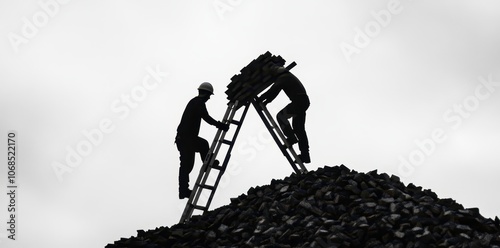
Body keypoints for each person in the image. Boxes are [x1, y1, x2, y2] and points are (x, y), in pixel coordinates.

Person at [175, 82, 229, 199]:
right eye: (209, 95)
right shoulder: (198, 103)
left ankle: (184, 190)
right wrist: (220, 125)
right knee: (189, 163)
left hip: (185, 139)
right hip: (186, 139)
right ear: (206, 94)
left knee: (188, 164)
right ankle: (184, 190)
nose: (209, 98)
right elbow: (206, 117)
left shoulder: (194, 102)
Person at [259, 65, 311, 163]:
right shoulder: (288, 76)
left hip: (298, 102)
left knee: (281, 116)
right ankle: (305, 156)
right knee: (299, 129)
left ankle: (291, 138)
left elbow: (274, 90)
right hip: (303, 101)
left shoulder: (284, 77)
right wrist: (267, 101)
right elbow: (275, 91)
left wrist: (262, 98)